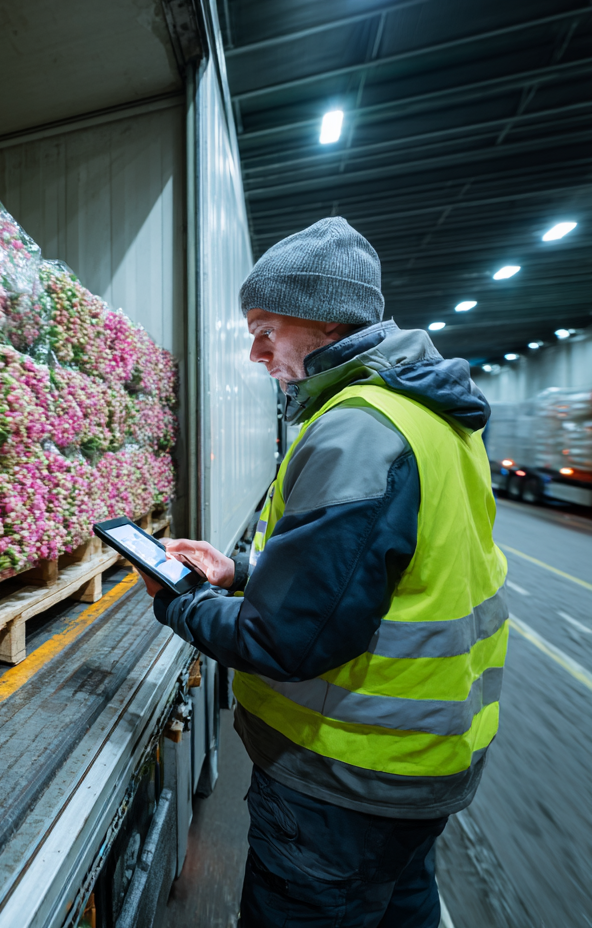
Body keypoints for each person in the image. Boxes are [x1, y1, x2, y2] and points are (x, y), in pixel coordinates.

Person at [141, 217, 507, 927]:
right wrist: (239, 570)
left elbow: (286, 641)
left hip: (345, 779)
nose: (254, 352)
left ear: (325, 321)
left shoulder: (357, 429)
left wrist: (176, 600)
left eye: (265, 329)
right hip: (423, 765)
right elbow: (387, 569)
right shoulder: (431, 417)